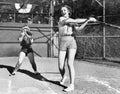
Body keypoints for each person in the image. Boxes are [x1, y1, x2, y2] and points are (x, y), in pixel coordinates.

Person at [58, 5, 97, 92]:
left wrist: (87, 21)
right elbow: (75, 20)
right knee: (61, 66)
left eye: (64, 10)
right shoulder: (61, 19)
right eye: (61, 10)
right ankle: (63, 76)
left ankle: (71, 85)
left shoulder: (71, 21)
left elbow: (78, 29)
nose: (62, 11)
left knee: (70, 64)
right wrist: (89, 19)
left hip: (72, 40)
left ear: (68, 11)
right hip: (63, 41)